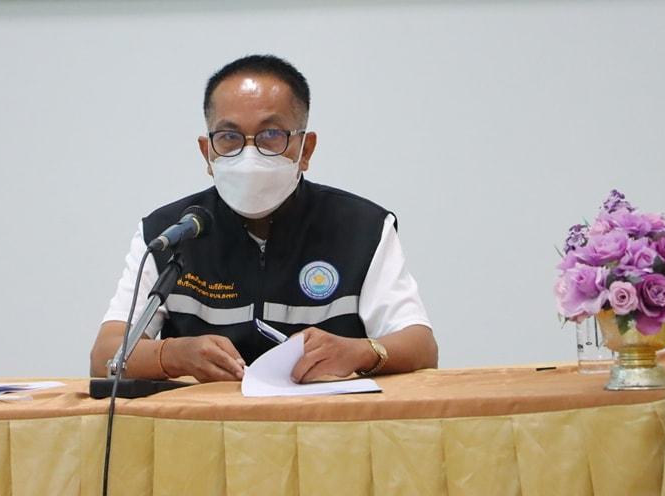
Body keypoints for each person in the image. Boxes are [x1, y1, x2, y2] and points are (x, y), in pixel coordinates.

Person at [90, 54, 438, 382]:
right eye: (229, 137)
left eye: (271, 135)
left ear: (306, 150)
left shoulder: (361, 228)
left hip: (322, 420)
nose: (249, 154)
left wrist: (359, 352)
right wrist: (172, 355)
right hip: (206, 422)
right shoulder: (172, 232)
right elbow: (105, 355)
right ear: (207, 153)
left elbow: (420, 345)